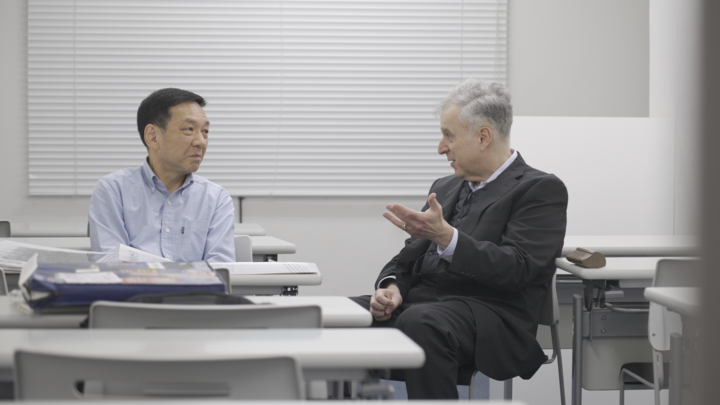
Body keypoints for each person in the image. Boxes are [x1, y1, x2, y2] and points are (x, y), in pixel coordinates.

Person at [351, 79, 568, 399]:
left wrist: (446, 237)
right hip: (423, 309)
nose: (441, 147)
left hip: (491, 317)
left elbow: (518, 267)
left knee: (421, 323)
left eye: (449, 135)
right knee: (331, 315)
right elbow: (409, 257)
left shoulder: (540, 189)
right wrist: (392, 287)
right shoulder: (445, 186)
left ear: (483, 137)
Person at [89, 88, 235, 262]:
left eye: (205, 131)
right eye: (189, 129)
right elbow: (110, 263)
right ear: (153, 137)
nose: (201, 142)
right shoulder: (113, 190)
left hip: (189, 284)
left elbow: (221, 268)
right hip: (138, 283)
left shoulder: (216, 198)